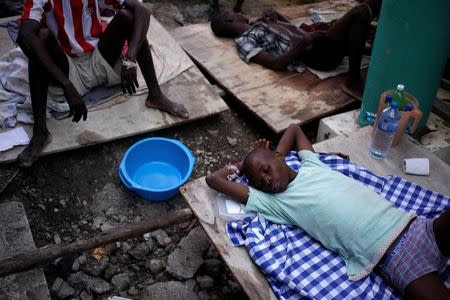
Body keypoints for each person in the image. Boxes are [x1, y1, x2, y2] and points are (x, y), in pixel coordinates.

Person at [206, 124, 450, 299]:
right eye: (258, 181)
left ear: (279, 157)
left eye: (266, 169)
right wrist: (244, 163)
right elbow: (213, 180)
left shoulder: (312, 165)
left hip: (418, 226)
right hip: (394, 256)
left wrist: (272, 152)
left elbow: (294, 129)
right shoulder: (276, 203)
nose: (266, 181)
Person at [17, 0, 189, 168]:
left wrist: (130, 58)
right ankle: (40, 131)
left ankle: (155, 94)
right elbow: (24, 35)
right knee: (38, 40)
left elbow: (142, 11)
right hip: (67, 67)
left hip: (98, 57)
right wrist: (66, 85)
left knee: (129, 17)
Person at [210, 0, 382, 100]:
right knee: (360, 12)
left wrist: (276, 17)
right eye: (233, 13)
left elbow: (290, 29)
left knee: (370, 6)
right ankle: (353, 80)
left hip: (318, 41)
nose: (239, 12)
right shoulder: (244, 40)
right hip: (316, 54)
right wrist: (305, 40)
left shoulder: (256, 22)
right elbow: (275, 64)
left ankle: (357, 52)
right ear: (228, 20)